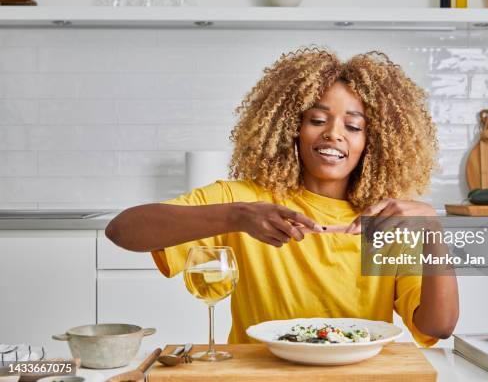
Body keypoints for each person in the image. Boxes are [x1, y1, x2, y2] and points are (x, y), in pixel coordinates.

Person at [105, 47, 459, 347]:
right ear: (291, 127)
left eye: (353, 126)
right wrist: (236, 217)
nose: (334, 135)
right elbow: (122, 230)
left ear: (374, 142)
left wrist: (432, 232)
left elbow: (437, 327)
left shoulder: (386, 220)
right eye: (317, 120)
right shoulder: (245, 201)